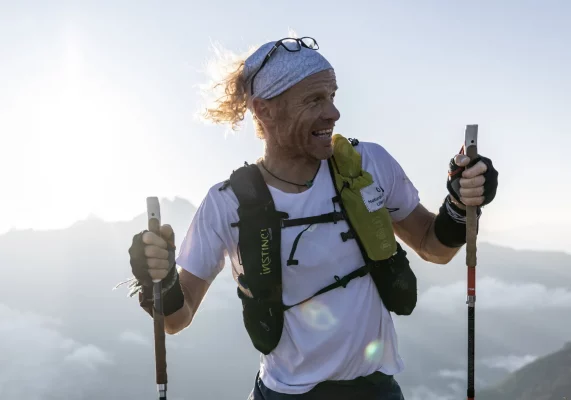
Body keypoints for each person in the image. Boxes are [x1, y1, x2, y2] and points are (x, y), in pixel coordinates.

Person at [126, 36, 499, 400]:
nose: (334, 112)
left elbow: (434, 246)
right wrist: (158, 279)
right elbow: (177, 319)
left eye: (333, 96)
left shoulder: (369, 164)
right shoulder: (226, 203)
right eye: (315, 100)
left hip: (376, 389)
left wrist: (460, 203)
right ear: (264, 109)